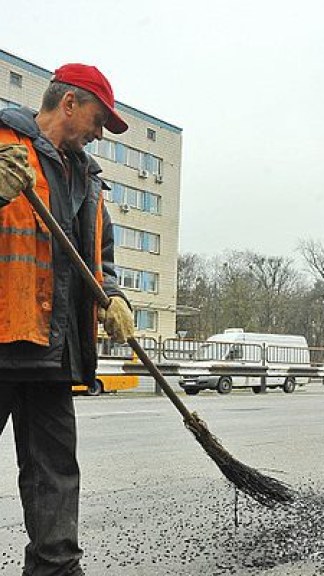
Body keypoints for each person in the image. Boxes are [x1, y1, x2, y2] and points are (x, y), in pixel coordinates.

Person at [0, 64, 136, 575]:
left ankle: (55, 568)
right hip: (1, 332)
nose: (100, 134)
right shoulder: (3, 144)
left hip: (53, 346)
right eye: (99, 120)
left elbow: (98, 256)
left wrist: (114, 296)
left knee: (56, 470)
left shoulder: (88, 179)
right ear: (71, 103)